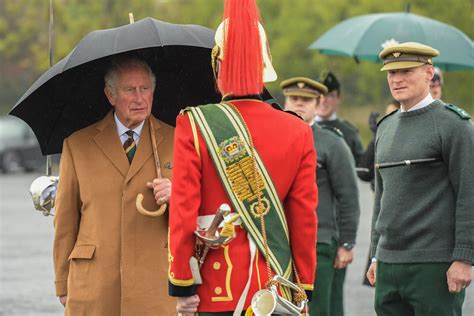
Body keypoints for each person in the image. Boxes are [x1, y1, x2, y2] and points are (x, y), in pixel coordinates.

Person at [167, 1, 318, 314]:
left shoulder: (195, 124)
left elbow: (183, 211)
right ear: (264, 66)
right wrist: (303, 286)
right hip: (277, 287)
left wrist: (182, 283)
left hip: (216, 289)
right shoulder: (298, 129)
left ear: (218, 67)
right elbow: (304, 219)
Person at [53, 56, 176, 315]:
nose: (139, 98)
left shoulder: (181, 140)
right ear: (110, 95)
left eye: (145, 89)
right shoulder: (78, 145)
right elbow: (65, 221)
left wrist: (177, 197)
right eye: (130, 90)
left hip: (156, 283)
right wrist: (62, 282)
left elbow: (202, 215)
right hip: (94, 284)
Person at [367, 42, 473, 315]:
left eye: (406, 71)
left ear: (428, 73)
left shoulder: (454, 125)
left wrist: (464, 257)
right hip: (389, 264)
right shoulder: (385, 127)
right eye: (391, 73)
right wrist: (376, 255)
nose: (397, 79)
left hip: (434, 265)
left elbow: (469, 193)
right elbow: (382, 198)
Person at [281, 77, 360, 316]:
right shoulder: (276, 137)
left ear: (318, 104)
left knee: (321, 310)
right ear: (285, 101)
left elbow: (348, 196)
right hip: (281, 242)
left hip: (321, 243)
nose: (299, 104)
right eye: (294, 99)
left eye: (306, 100)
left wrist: (346, 243)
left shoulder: (332, 143)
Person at [315, 71, 365, 316]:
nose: (324, 101)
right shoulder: (295, 129)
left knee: (331, 302)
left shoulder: (346, 132)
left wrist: (347, 239)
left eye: (330, 95)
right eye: (320, 95)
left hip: (333, 226)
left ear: (338, 98)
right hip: (311, 228)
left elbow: (359, 177)